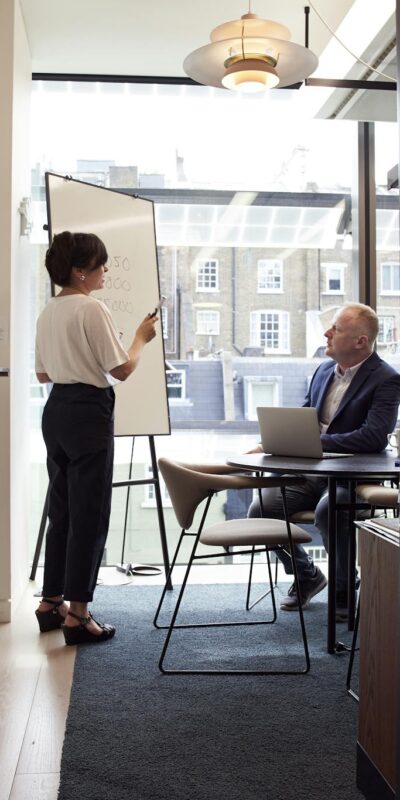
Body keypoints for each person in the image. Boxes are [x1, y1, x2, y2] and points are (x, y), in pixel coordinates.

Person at [35, 231, 158, 645]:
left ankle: (50, 603)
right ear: (80, 271)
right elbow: (121, 369)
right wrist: (140, 338)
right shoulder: (91, 308)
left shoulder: (48, 311)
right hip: (88, 412)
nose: (105, 269)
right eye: (100, 264)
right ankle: (79, 615)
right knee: (89, 514)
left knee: (62, 511)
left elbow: (42, 374)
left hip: (56, 410)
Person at [248, 302, 400, 619]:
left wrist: (315, 442)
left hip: (352, 480)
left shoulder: (386, 379)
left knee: (329, 510)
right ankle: (306, 575)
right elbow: (305, 418)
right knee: (260, 510)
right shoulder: (322, 371)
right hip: (312, 473)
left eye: (336, 329)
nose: (327, 333)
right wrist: (274, 440)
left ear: (360, 341)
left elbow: (372, 437)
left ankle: (344, 590)